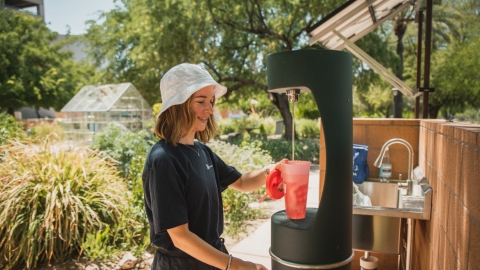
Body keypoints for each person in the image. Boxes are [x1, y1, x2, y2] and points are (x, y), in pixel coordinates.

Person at [142, 63, 285, 270]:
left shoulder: (202, 152)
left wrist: (270, 170)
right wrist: (237, 266)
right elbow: (180, 238)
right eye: (201, 101)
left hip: (212, 259)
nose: (210, 110)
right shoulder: (163, 160)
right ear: (177, 104)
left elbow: (243, 182)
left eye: (211, 101)